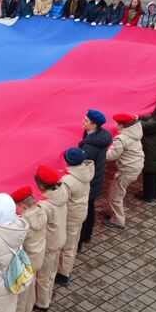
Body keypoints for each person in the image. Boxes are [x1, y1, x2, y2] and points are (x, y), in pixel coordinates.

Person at [7, 187, 46, 312]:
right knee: (30, 292)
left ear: (22, 206)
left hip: (26, 261)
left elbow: (17, 242)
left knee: (20, 295)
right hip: (38, 257)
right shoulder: (42, 211)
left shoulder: (24, 223)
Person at [55, 147, 93, 287]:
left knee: (67, 246)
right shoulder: (86, 171)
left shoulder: (68, 180)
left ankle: (63, 274)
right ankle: (67, 268)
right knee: (73, 241)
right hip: (81, 212)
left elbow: (60, 199)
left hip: (71, 216)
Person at [32, 165, 69, 312]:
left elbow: (37, 224)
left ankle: (42, 302)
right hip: (59, 238)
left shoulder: (45, 205)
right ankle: (46, 296)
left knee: (43, 275)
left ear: (41, 186)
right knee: (51, 271)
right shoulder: (61, 194)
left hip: (49, 244)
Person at [102, 114, 144, 228]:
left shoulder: (121, 138)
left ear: (121, 125)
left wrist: (100, 150)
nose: (115, 125)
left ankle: (118, 220)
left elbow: (110, 156)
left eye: (116, 123)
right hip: (134, 167)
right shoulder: (134, 133)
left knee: (116, 194)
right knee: (114, 190)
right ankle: (110, 211)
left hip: (127, 170)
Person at [78, 109, 111, 249]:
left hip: (89, 183)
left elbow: (83, 166)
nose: (82, 122)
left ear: (94, 125)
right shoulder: (101, 136)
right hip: (96, 180)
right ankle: (87, 236)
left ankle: (79, 242)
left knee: (83, 213)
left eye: (86, 121)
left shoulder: (90, 146)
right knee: (90, 208)